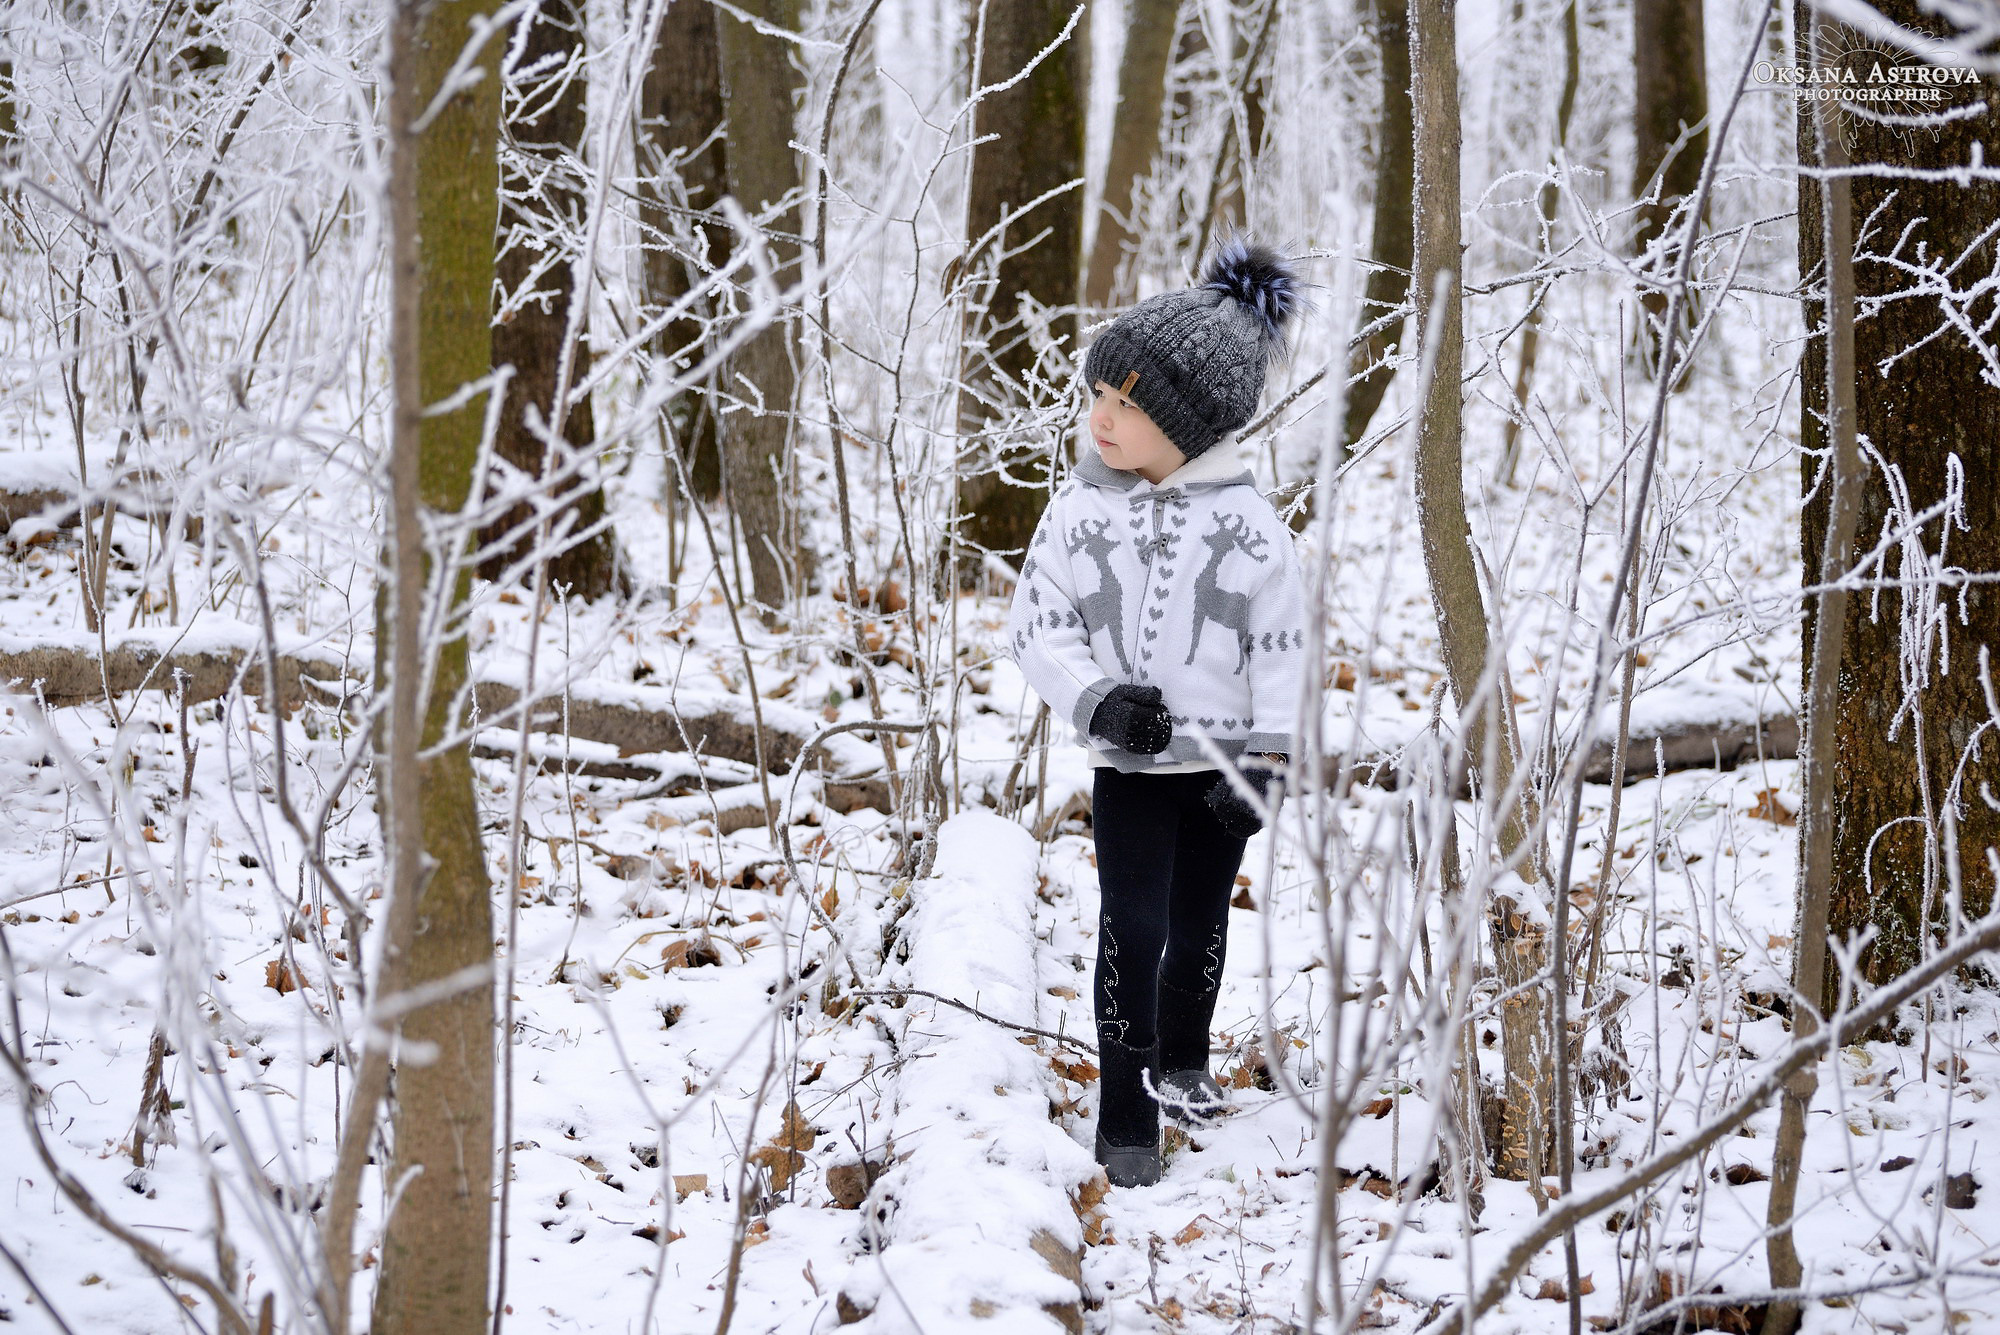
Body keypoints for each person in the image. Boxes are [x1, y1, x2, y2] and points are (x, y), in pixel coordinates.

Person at [1005, 236, 1309, 1188]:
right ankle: (1126, 1104)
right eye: (1099, 394)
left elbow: (1287, 654)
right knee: (1130, 927)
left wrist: (1267, 766)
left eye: (1126, 404)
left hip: (1221, 773)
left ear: (1190, 424)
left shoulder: (1254, 532)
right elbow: (1036, 626)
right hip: (1130, 765)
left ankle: (1184, 1054)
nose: (1100, 417)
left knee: (1200, 924)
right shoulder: (1075, 516)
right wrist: (1097, 701)